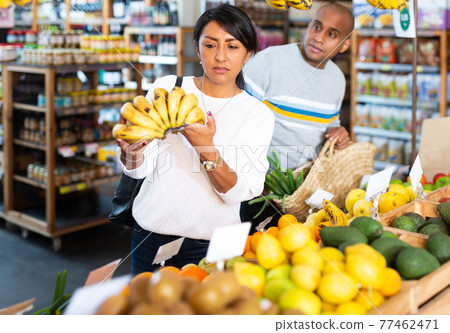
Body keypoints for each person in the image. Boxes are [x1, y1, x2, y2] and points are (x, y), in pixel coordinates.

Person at [116, 4, 275, 275]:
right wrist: (131, 151)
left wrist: (205, 148)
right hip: (150, 237)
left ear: (248, 54)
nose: (221, 56)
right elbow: (139, 169)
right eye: (211, 45)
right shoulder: (168, 89)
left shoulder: (257, 114)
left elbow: (240, 194)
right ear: (197, 48)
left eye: (233, 46)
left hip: (216, 245)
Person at [241, 2, 354, 225]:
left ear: (344, 45)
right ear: (308, 24)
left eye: (331, 34)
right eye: (317, 26)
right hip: (260, 192)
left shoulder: (337, 80)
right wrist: (255, 182)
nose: (319, 37)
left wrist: (339, 133)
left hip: (305, 193)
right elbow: (240, 122)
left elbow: (328, 127)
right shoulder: (268, 62)